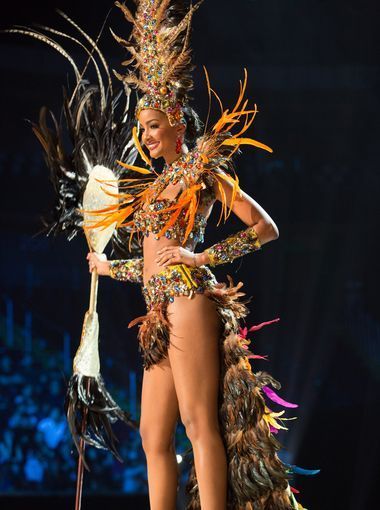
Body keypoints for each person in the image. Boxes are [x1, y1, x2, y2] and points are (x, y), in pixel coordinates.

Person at [86, 1, 315, 509]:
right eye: (141, 128)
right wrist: (107, 267)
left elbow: (266, 227)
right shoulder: (151, 189)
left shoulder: (201, 173)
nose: (145, 137)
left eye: (152, 126)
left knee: (196, 422)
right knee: (152, 434)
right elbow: (151, 263)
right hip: (156, 317)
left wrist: (201, 258)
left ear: (176, 126)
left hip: (189, 304)